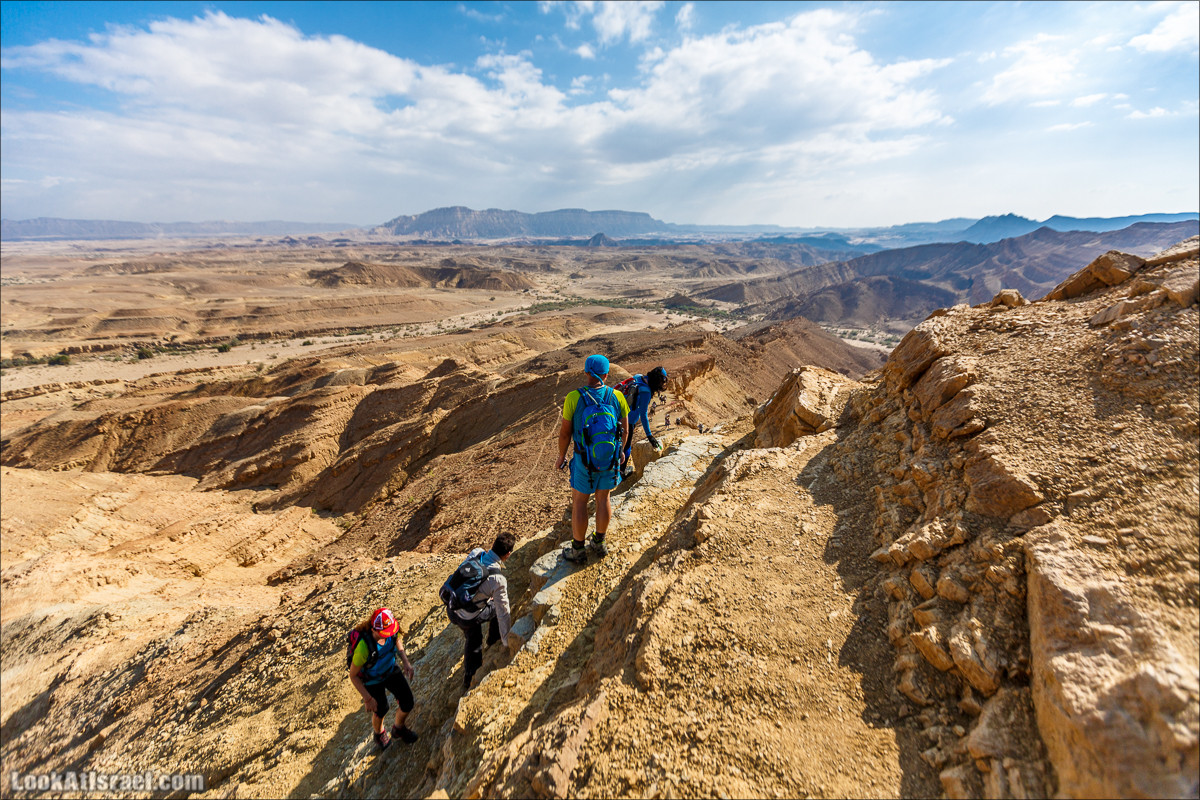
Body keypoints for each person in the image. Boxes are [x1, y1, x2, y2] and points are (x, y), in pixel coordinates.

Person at [555, 354, 629, 563]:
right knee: (603, 498)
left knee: (580, 502)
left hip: (583, 459)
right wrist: (621, 451)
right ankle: (599, 542)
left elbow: (564, 433)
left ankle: (578, 549)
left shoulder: (574, 397)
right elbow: (624, 429)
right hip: (609, 458)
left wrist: (561, 456)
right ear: (606, 374)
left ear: (586, 372)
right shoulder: (617, 396)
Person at [445, 532, 516, 690]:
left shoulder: (476, 552)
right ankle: (493, 641)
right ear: (508, 554)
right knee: (477, 634)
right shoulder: (498, 580)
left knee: (474, 630)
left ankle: (467, 679)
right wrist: (506, 642)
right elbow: (503, 612)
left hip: (451, 607)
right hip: (466, 618)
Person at [348, 608, 418, 751]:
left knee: (407, 702)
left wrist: (405, 662)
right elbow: (353, 675)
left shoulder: (391, 629)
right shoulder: (363, 647)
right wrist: (367, 698)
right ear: (374, 629)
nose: (388, 635)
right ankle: (379, 734)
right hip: (372, 680)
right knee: (381, 708)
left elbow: (396, 638)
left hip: (391, 670)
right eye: (384, 633)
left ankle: (398, 729)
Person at [620, 366, 668, 478]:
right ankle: (621, 473)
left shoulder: (638, 377)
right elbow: (643, 415)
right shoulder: (646, 392)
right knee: (626, 447)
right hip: (628, 421)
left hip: (618, 416)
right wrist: (650, 436)